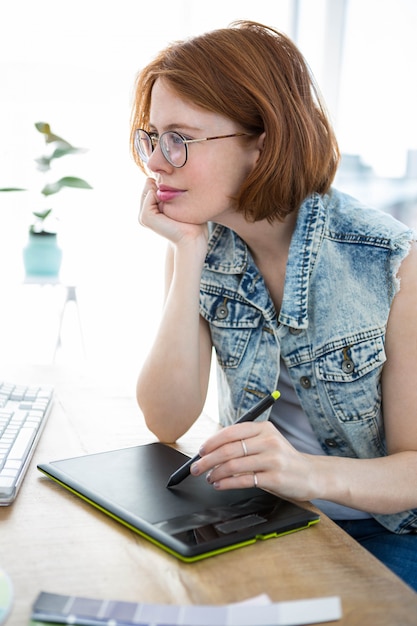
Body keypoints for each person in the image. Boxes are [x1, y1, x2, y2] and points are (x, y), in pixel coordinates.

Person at [130, 20, 417, 590]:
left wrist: (305, 472)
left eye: (179, 139)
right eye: (152, 136)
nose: (156, 163)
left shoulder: (390, 263)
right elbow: (165, 420)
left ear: (263, 142)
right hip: (266, 518)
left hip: (387, 533)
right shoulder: (201, 241)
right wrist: (188, 252)